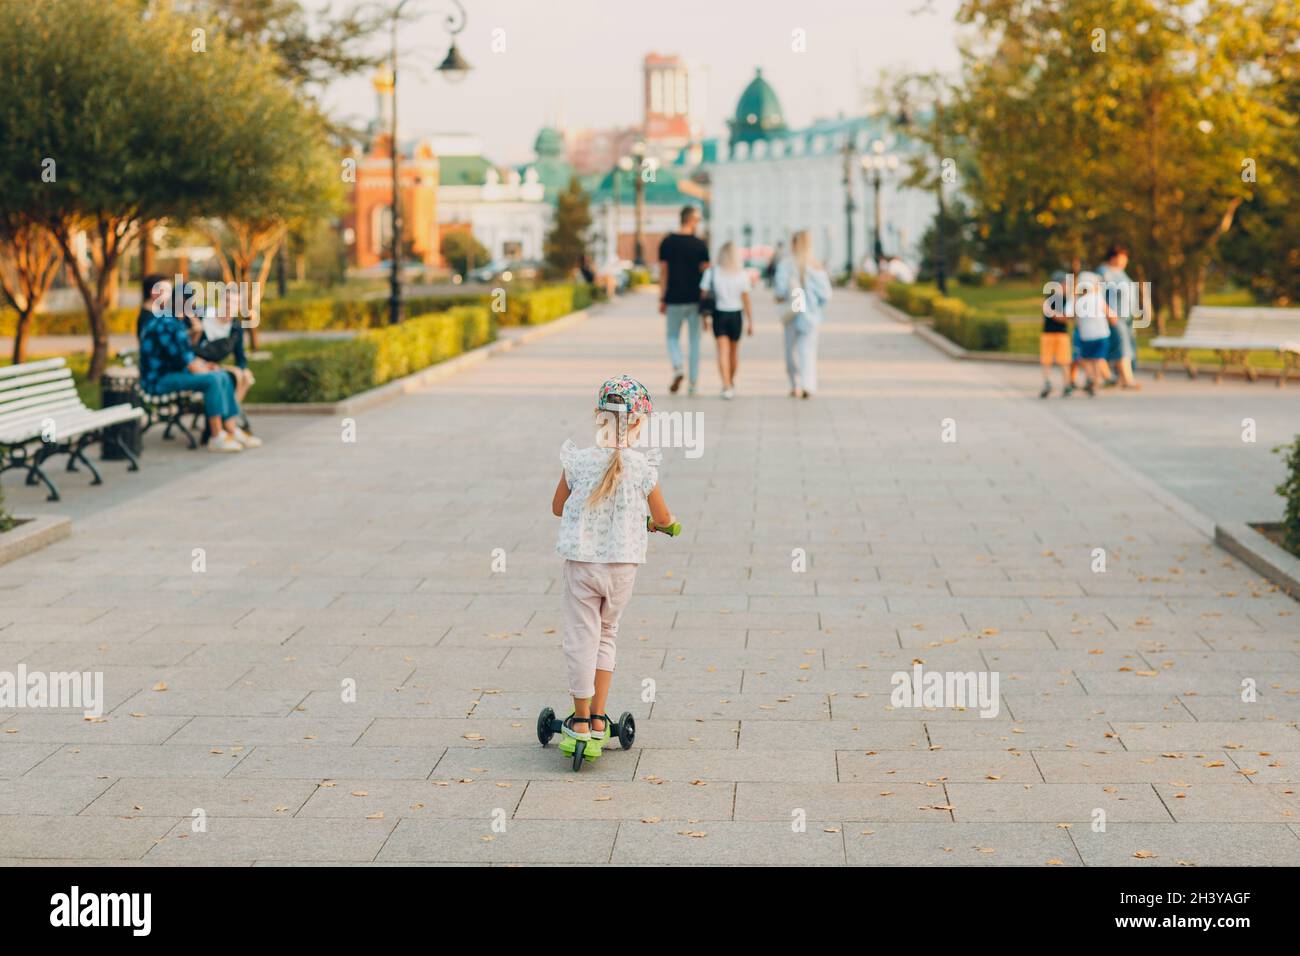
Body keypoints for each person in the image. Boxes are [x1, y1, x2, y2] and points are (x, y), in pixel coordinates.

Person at [551, 375, 674, 753]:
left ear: (598, 417)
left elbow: (557, 507)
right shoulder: (642, 468)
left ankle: (582, 719)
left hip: (583, 565)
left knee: (580, 637)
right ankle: (601, 716)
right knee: (607, 634)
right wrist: (657, 525)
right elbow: (665, 518)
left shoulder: (578, 461)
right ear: (637, 423)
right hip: (622, 568)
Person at [137, 274, 256, 452]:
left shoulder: (173, 323)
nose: (192, 310)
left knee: (221, 375)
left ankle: (231, 429)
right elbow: (189, 363)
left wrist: (207, 366)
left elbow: (185, 356)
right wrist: (205, 370)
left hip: (171, 374)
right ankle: (216, 436)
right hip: (158, 381)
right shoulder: (167, 325)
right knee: (214, 379)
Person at [774, 229, 832, 398]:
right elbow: (826, 295)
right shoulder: (816, 266)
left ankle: (795, 384)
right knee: (808, 351)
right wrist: (816, 307)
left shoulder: (786, 265)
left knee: (790, 352)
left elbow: (779, 290)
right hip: (811, 316)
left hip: (792, 314)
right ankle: (808, 384)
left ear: (793, 244)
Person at [658, 205, 710, 395]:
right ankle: (693, 384)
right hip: (695, 300)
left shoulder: (667, 242)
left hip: (673, 298)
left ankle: (678, 365)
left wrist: (662, 297)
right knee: (694, 341)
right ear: (691, 220)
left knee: (672, 336)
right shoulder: (700, 244)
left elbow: (663, 272)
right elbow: (706, 273)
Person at [701, 241, 753, 399]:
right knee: (734, 352)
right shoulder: (742, 274)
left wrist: (705, 319)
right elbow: (746, 300)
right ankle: (730, 381)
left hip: (719, 314)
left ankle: (726, 385)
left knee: (722, 352)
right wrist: (751, 321)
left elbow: (703, 295)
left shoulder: (712, 273)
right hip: (736, 315)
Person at [1097, 244, 1139, 390]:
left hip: (1126, 316)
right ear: (1113, 257)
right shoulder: (1104, 272)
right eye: (1122, 257)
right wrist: (1108, 312)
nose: (1125, 260)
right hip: (1114, 316)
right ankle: (1128, 380)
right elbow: (1098, 295)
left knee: (1125, 345)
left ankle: (1117, 378)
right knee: (1122, 346)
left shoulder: (1121, 272)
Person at [1072, 270, 1112, 396]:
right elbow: (1111, 316)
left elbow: (1073, 317)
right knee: (1098, 359)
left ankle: (1090, 378)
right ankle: (1096, 382)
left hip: (1086, 335)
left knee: (1088, 359)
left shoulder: (1077, 300)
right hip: (1101, 334)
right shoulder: (1098, 298)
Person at [1039, 270, 1073, 398]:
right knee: (1046, 360)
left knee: (1064, 360)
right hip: (1049, 334)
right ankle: (1047, 382)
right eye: (1065, 284)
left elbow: (1067, 316)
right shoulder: (1050, 299)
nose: (1067, 287)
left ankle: (1067, 384)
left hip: (1061, 334)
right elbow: (1055, 315)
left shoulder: (1066, 300)